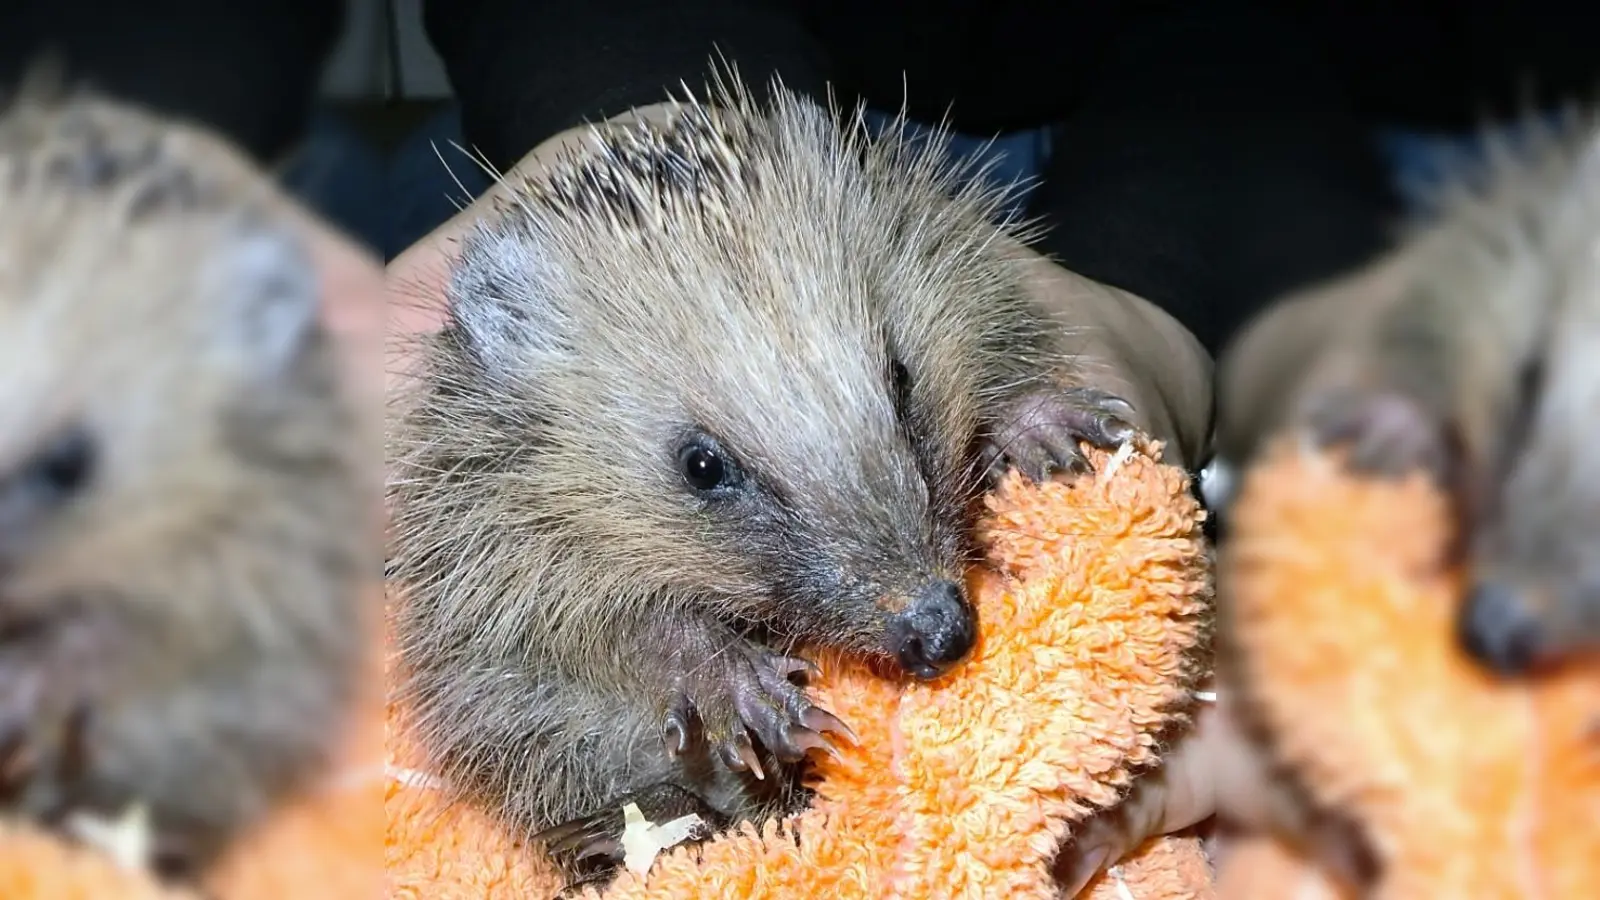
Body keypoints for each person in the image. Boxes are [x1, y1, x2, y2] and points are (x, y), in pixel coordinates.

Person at [7, 1, 1593, 893]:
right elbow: (524, 691)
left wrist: (1095, 364)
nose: (924, 609)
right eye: (709, 474)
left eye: (902, 397)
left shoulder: (913, 255)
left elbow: (992, 311)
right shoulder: (508, 497)